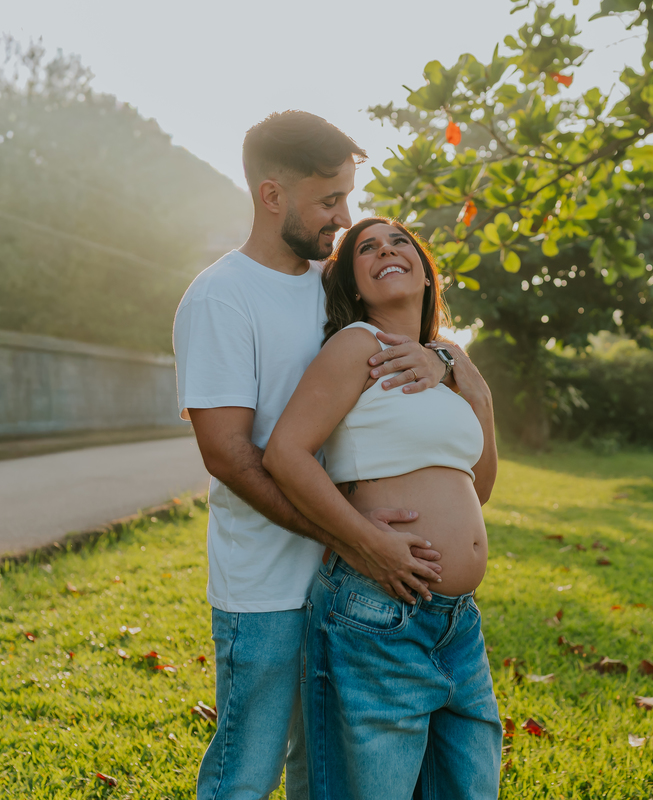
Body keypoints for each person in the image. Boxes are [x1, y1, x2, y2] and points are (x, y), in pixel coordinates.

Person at [173, 112, 454, 800]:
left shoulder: (338, 283)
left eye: (348, 197)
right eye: (329, 200)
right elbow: (230, 455)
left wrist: (443, 362)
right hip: (264, 590)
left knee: (319, 775)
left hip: (349, 596)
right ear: (273, 197)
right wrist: (353, 539)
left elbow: (421, 335)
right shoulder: (220, 297)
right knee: (244, 774)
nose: (344, 217)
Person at [265, 216, 501, 800]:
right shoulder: (357, 345)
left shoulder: (447, 360)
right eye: (366, 248)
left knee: (470, 787)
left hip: (457, 620)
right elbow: (286, 454)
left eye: (400, 242)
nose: (386, 250)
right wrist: (364, 541)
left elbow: (481, 486)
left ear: (425, 273)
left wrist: (475, 390)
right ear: (354, 285)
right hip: (376, 609)